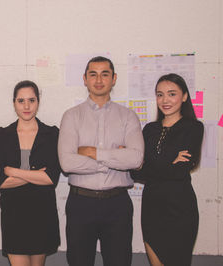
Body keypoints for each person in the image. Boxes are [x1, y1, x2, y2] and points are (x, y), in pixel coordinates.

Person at [58, 56, 144, 266]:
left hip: (117, 204)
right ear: (84, 79)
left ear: (114, 79)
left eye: (105, 74)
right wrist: (114, 159)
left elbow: (136, 158)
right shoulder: (71, 116)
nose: (98, 80)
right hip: (81, 204)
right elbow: (67, 163)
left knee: (119, 261)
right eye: (93, 74)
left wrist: (93, 153)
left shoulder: (128, 116)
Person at [130, 73, 203, 266]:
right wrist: (170, 161)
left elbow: (180, 171)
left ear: (184, 96)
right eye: (160, 94)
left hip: (180, 208)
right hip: (152, 207)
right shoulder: (149, 129)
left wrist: (151, 165)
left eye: (172, 94)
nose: (165, 100)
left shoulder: (194, 128)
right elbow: (136, 172)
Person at [0, 80, 61, 266]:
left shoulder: (52, 134)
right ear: (14, 103)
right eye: (21, 101)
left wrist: (14, 171)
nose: (27, 106)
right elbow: (0, 182)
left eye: (31, 100)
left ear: (38, 102)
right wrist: (35, 175)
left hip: (42, 214)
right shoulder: (2, 135)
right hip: (14, 215)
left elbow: (51, 178)